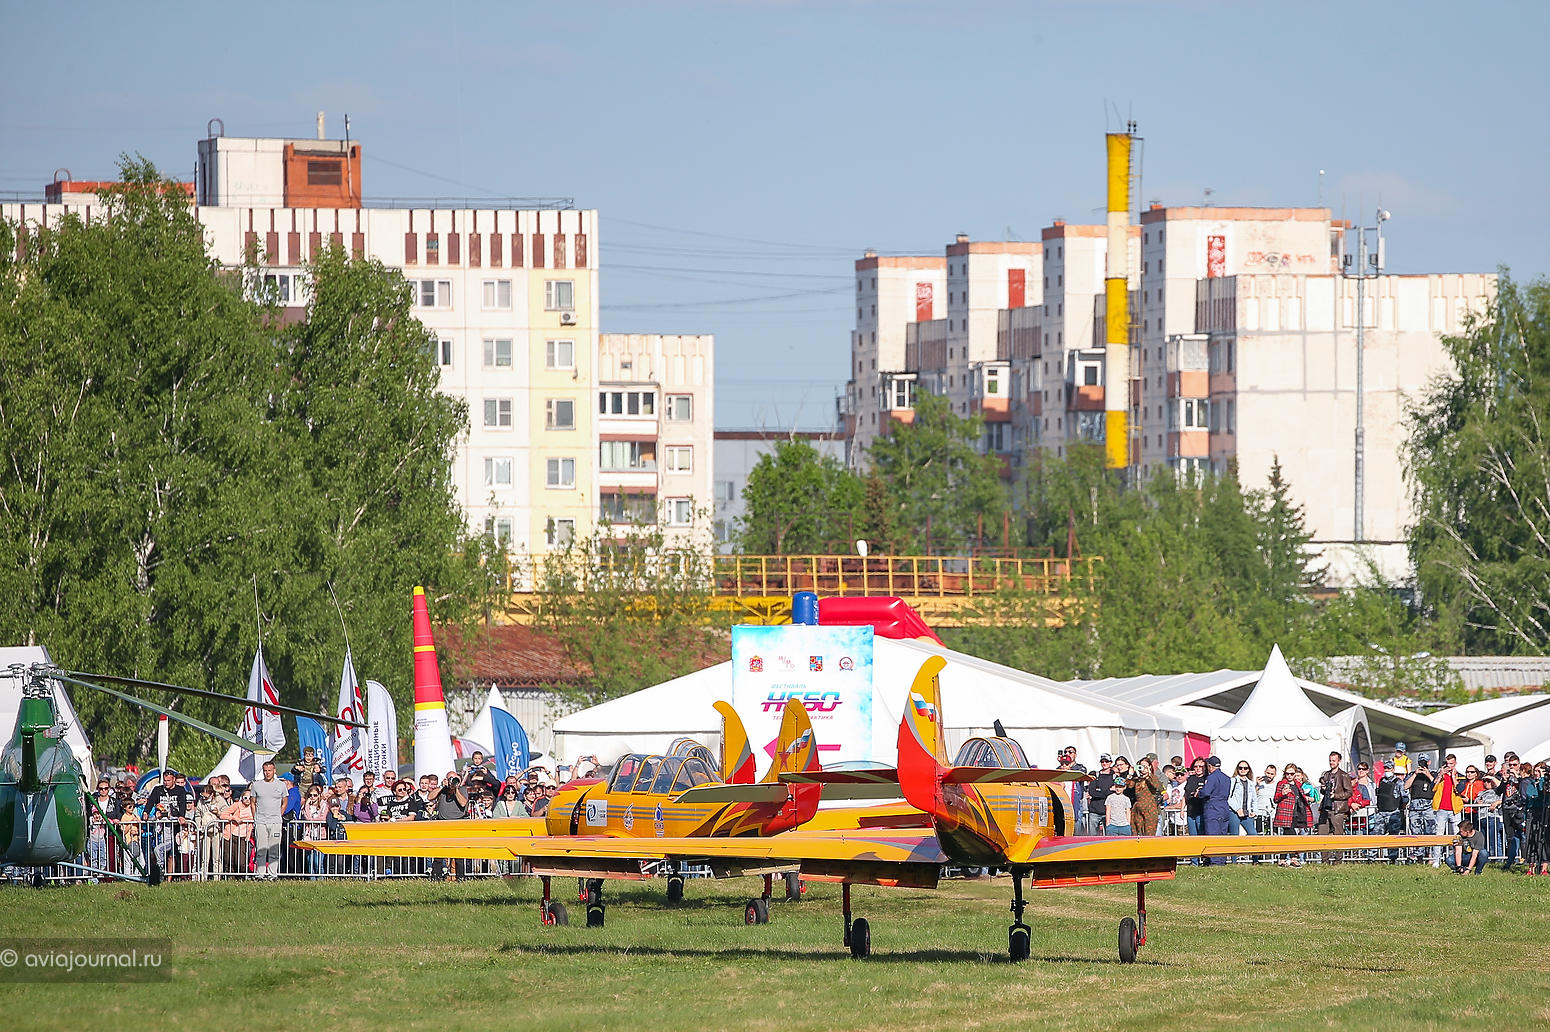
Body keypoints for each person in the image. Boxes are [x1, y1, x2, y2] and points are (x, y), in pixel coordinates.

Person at [250, 760, 288, 880]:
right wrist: (256, 818)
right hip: (261, 822)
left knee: (274, 849)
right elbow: (252, 803)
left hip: (275, 822)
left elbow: (284, 802)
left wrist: (279, 815)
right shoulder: (256, 785)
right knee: (261, 849)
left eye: (270, 770)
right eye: (265, 771)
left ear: (274, 771)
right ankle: (260, 874)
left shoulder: (281, 785)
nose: (267, 773)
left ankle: (273, 874)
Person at [1316, 752, 1354, 863]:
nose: (1331, 762)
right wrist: (1324, 789)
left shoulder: (1344, 775)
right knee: (1322, 834)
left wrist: (1335, 795)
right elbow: (1323, 791)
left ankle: (1338, 860)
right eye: (1330, 760)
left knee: (1338, 835)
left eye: (1334, 760)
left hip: (1337, 809)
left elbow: (1349, 792)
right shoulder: (1326, 775)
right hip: (1325, 808)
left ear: (1339, 761)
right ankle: (1325, 860)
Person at [1370, 760, 1407, 862]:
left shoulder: (1398, 782)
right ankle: (1371, 857)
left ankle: (1393, 858)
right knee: (1376, 835)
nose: (1387, 770)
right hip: (1381, 812)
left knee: (1393, 836)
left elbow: (1404, 797)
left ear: (1393, 769)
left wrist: (1401, 810)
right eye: (1385, 768)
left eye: (1389, 768)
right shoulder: (1381, 781)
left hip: (1393, 813)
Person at [1198, 756, 1232, 864]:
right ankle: (1222, 859)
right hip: (1224, 807)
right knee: (1222, 835)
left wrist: (1199, 792)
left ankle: (1215, 861)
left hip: (1213, 807)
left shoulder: (1212, 777)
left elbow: (1206, 792)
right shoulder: (1227, 778)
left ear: (1210, 766)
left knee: (1213, 835)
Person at [1432, 754, 1464, 867]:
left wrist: (1454, 777)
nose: (1449, 766)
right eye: (1447, 764)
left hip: (1455, 809)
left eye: (1451, 764)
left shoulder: (1460, 776)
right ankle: (1436, 860)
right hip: (1441, 809)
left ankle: (1456, 860)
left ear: (1455, 764)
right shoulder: (1441, 776)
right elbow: (1432, 787)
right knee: (1439, 835)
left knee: (1457, 836)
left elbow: (1460, 789)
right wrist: (1440, 775)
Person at [220, 788, 254, 876]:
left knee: (241, 860)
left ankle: (241, 877)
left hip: (243, 836)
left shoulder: (253, 807)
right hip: (231, 834)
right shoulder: (237, 805)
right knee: (228, 858)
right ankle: (229, 876)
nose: (247, 800)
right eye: (245, 797)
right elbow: (223, 815)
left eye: (249, 798)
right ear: (242, 798)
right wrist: (233, 818)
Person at [192, 784, 223, 881]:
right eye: (203, 796)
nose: (204, 798)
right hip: (205, 832)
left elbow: (226, 813)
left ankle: (216, 877)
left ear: (212, 794)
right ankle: (203, 877)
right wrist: (199, 824)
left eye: (206, 797)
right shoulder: (200, 801)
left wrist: (218, 813)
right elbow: (197, 814)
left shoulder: (220, 800)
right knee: (204, 856)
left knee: (216, 857)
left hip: (216, 831)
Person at [1129, 757, 1164, 836]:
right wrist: (1130, 774)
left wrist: (1149, 773)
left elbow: (1157, 786)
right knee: (1137, 832)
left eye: (1145, 766)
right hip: (1138, 808)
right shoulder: (1137, 780)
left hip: (1149, 807)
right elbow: (1128, 785)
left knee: (1149, 833)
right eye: (1141, 766)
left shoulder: (1153, 778)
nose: (1143, 769)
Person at [1086, 754, 1117, 837]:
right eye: (1102, 761)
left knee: (1109, 835)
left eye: (1106, 761)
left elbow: (1116, 793)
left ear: (1110, 763)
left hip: (1109, 811)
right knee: (1092, 836)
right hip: (1094, 811)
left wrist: (1099, 792)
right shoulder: (1095, 775)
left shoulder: (1114, 776)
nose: (1104, 763)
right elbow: (1092, 792)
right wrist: (1108, 791)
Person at [1183, 758, 1208, 838]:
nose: (1198, 768)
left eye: (1200, 766)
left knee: (1201, 835)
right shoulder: (1190, 778)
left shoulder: (1207, 778)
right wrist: (1182, 809)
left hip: (1201, 811)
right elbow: (1185, 794)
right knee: (1192, 836)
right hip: (1190, 811)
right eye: (1196, 766)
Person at [1254, 764, 1280, 834]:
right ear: (1265, 772)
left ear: (1275, 774)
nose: (1269, 775)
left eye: (1272, 774)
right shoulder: (1259, 783)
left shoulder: (1277, 785)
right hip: (1260, 812)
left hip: (1272, 814)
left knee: (1273, 834)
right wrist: (1257, 785)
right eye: (1268, 773)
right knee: (1259, 833)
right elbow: (1253, 796)